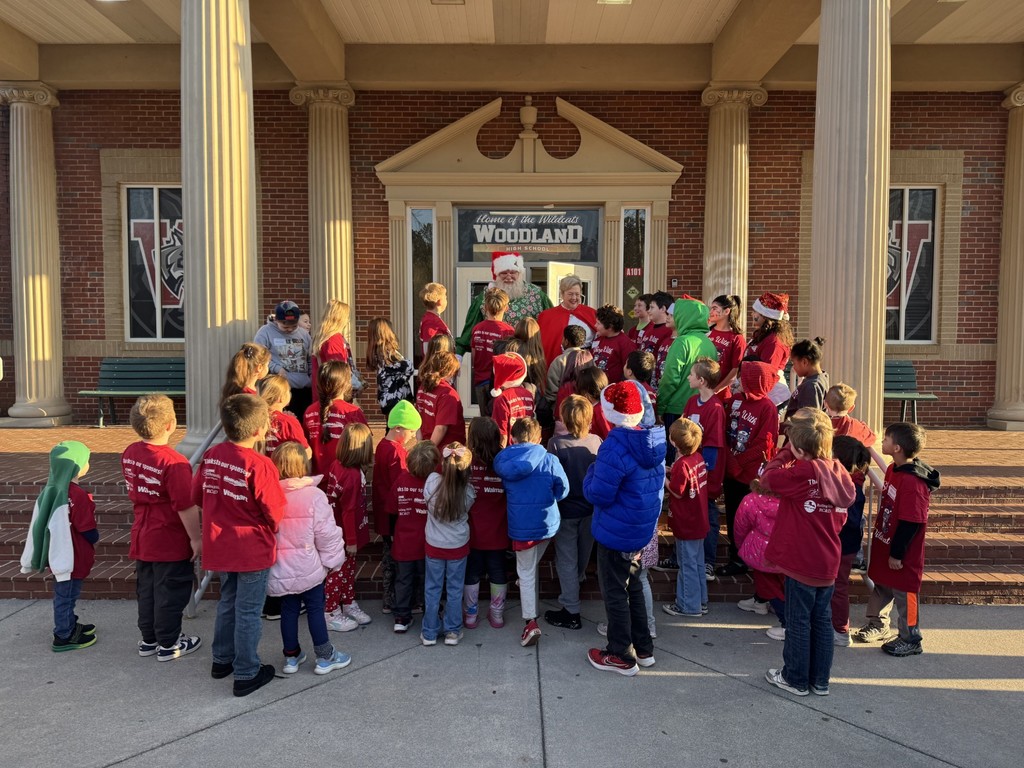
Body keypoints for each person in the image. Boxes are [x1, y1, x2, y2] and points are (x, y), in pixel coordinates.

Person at [192, 394, 287, 696]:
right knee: (248, 611)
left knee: (228, 602)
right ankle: (246, 672)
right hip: (251, 548)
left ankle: (222, 660)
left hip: (221, 544)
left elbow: (197, 496)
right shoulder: (261, 465)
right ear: (261, 429)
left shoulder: (211, 455)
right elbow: (274, 510)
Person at [761, 408, 855, 697]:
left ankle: (795, 678)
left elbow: (768, 478)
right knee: (821, 621)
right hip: (828, 558)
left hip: (801, 559)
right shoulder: (839, 472)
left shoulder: (801, 472)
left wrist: (786, 452)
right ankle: (820, 680)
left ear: (800, 448)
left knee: (798, 621)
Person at [584, 382, 666, 676]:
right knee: (634, 587)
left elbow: (598, 494)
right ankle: (643, 649)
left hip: (615, 531)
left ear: (610, 413)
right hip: (640, 528)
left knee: (616, 592)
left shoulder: (614, 447)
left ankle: (620, 653)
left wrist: (591, 471)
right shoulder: (653, 442)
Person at [121, 395, 202, 661]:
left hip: (143, 535)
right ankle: (169, 643)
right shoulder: (174, 463)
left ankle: (149, 639)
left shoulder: (131, 453)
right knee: (171, 591)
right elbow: (185, 506)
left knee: (147, 590)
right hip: (169, 538)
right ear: (171, 424)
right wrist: (196, 539)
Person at [854, 422, 941, 657]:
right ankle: (878, 625)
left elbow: (912, 522)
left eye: (886, 439)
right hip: (886, 543)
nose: (882, 442)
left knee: (906, 593)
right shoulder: (894, 469)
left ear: (897, 447)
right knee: (882, 585)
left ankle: (911, 637)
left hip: (902, 552)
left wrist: (898, 553)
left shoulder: (913, 484)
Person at [267, 442, 351, 676]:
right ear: (303, 464)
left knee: (288, 610)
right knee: (315, 609)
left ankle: (291, 657)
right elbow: (326, 533)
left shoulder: (270, 495)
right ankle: (325, 656)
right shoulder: (314, 496)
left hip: (280, 567)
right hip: (309, 566)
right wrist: (333, 561)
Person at [494, 417, 569, 647]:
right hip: (547, 524)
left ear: (513, 438)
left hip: (521, 526)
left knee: (526, 572)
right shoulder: (550, 460)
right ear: (539, 438)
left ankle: (530, 622)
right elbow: (563, 489)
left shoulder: (503, 460)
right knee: (528, 569)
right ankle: (525, 585)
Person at [21, 440, 98, 652]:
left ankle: (70, 623)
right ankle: (64, 634)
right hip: (72, 555)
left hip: (56, 551)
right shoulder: (77, 495)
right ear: (76, 466)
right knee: (67, 594)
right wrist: (95, 537)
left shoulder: (50, 490)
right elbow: (87, 529)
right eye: (86, 461)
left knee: (64, 592)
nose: (88, 465)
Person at [718, 361, 780, 578]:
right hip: (731, 469)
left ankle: (749, 557)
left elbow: (765, 442)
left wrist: (740, 462)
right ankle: (737, 556)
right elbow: (724, 430)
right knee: (734, 514)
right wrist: (730, 459)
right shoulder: (734, 401)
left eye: (742, 378)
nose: (737, 381)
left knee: (751, 517)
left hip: (750, 475)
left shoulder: (767, 408)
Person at [544, 396, 602, 630]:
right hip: (591, 509)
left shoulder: (555, 444)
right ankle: (575, 585)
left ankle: (571, 608)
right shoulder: (597, 441)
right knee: (582, 553)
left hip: (566, 510)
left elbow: (551, 479)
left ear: (565, 419)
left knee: (566, 559)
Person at [421, 442, 477, 646]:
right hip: (458, 546)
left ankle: (429, 632)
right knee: (455, 590)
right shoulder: (469, 492)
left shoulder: (430, 482)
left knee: (432, 589)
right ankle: (452, 631)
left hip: (434, 545)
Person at [373, 400, 422, 616]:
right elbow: (400, 483)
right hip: (394, 516)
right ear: (398, 428)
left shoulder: (382, 447)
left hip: (385, 513)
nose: (413, 436)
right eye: (411, 431)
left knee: (388, 560)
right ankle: (398, 601)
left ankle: (387, 600)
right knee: (396, 562)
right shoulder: (396, 453)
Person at [324, 423, 374, 631]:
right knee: (337, 572)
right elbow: (348, 511)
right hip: (343, 534)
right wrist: (351, 542)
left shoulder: (339, 465)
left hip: (343, 531)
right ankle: (330, 611)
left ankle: (347, 602)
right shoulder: (352, 476)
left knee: (347, 570)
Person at [657, 295, 719, 462]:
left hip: (676, 408)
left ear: (684, 316)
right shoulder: (709, 343)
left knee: (673, 457)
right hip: (699, 407)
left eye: (674, 313)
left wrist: (660, 407)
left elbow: (670, 379)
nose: (669, 316)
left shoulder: (681, 342)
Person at [825, 382, 877, 577]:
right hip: (853, 485)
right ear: (852, 407)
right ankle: (856, 557)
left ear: (825, 403)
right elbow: (871, 438)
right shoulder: (856, 426)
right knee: (856, 520)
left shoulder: (821, 425)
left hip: (828, 482)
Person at [456, 251, 553, 355]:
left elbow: (552, 324)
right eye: (504, 273)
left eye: (513, 272)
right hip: (493, 360)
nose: (508, 276)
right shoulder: (484, 297)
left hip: (528, 359)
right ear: (496, 274)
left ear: (519, 273)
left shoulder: (537, 295)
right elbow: (469, 332)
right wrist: (458, 355)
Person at [682, 358, 727, 580]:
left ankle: (708, 561)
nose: (688, 377)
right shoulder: (691, 402)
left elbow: (713, 446)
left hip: (705, 475)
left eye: (691, 374)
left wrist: (704, 473)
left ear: (701, 380)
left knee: (708, 515)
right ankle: (679, 557)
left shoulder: (716, 408)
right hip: (689, 470)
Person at [464, 417, 510, 629]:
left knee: (472, 574)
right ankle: (497, 614)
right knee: (498, 572)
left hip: (472, 534)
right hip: (499, 533)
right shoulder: (504, 463)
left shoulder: (467, 464)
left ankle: (471, 615)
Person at [661, 418, 709, 619]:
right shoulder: (696, 458)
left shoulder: (682, 464)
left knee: (687, 564)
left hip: (686, 522)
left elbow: (678, 491)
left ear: (674, 442)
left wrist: (664, 478)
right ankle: (700, 600)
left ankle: (688, 605)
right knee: (697, 562)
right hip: (699, 519)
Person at [392, 440, 440, 633]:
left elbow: (391, 508)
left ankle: (401, 618)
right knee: (428, 581)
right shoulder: (435, 485)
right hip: (427, 544)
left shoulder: (401, 480)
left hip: (403, 544)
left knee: (403, 580)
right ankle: (430, 613)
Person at [830, 435, 873, 647]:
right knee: (835, 585)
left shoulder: (849, 487)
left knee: (838, 586)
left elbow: (851, 520)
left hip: (841, 543)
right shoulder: (854, 482)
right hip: (845, 543)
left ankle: (840, 629)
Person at [304, 360, 368, 475]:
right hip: (346, 481)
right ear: (345, 384)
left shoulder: (309, 411)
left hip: (318, 482)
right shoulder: (352, 411)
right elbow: (365, 446)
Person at [255, 301, 313, 417]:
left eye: (294, 326)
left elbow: (309, 359)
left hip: (303, 390)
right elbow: (258, 357)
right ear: (277, 320)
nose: (290, 329)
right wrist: (277, 368)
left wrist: (312, 378)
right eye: (285, 326)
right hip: (279, 392)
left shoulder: (304, 334)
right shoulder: (265, 332)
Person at [744, 291, 795, 409]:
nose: (752, 314)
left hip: (772, 397)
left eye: (756, 311)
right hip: (759, 394)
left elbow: (767, 373)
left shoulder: (775, 342)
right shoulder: (763, 335)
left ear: (766, 316)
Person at [469, 287, 514, 417]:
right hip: (499, 384)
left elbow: (474, 358)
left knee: (485, 421)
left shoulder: (477, 329)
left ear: (485, 308)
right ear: (506, 308)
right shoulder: (508, 331)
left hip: (479, 381)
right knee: (499, 419)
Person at [536, 274, 597, 369]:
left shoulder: (592, 313)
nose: (574, 298)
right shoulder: (547, 316)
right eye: (570, 294)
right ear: (562, 294)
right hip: (558, 365)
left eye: (577, 294)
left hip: (586, 365)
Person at [311, 299, 362, 403]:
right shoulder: (334, 339)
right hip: (334, 394)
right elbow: (337, 370)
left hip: (321, 391)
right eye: (347, 317)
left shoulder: (321, 337)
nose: (348, 320)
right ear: (340, 318)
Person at [365, 317, 415, 418]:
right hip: (396, 400)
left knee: (391, 426)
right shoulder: (387, 354)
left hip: (387, 398)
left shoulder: (377, 353)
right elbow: (408, 366)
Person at [416, 350, 465, 451]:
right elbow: (441, 428)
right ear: (451, 371)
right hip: (445, 452)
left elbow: (418, 419)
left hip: (428, 444)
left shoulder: (423, 387)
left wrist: (420, 444)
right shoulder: (448, 394)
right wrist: (428, 452)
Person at [258, 374, 311, 459]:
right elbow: (305, 453)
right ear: (281, 398)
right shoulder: (288, 422)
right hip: (284, 469)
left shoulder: (256, 417)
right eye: (288, 391)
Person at [490, 352, 535, 447]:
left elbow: (502, 434)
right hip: (527, 447)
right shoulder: (528, 394)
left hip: (510, 449)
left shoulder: (501, 399)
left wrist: (500, 456)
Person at [707, 294, 746, 403]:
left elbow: (735, 370)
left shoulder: (737, 338)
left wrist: (715, 391)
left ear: (726, 311)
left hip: (721, 397)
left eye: (715, 308)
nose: (711, 312)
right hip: (701, 392)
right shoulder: (706, 333)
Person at [782, 337, 830, 425]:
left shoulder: (811, 387)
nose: (793, 367)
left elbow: (808, 422)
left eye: (794, 363)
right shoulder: (821, 376)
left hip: (800, 436)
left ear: (804, 362)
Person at [591, 304, 636, 385]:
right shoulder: (598, 339)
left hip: (613, 390)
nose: (595, 326)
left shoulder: (625, 344)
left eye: (598, 323)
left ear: (610, 326)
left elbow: (630, 372)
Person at [544, 325, 587, 409]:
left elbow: (551, 391)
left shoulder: (559, 360)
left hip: (562, 409)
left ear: (566, 341)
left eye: (563, 338)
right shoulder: (589, 358)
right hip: (584, 407)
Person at [645, 291, 676, 387]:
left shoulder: (668, 331)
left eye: (652, 307)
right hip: (646, 378)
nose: (648, 311)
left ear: (662, 308)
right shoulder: (649, 328)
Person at [419, 282, 452, 357]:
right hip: (437, 367)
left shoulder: (432, 318)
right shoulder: (430, 321)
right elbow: (427, 349)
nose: (446, 300)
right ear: (439, 301)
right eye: (445, 297)